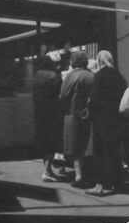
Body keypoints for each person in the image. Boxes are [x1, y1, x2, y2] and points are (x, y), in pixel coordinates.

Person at [85, 50, 128, 197]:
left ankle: (100, 185)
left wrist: (89, 109)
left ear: (99, 60)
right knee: (114, 152)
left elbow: (94, 98)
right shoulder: (118, 76)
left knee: (100, 153)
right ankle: (114, 183)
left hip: (102, 121)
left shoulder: (99, 76)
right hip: (116, 119)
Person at [59, 51, 95, 189]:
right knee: (87, 146)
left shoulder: (71, 76)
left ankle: (79, 175)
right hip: (89, 115)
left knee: (76, 148)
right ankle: (90, 175)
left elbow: (63, 95)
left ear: (73, 62)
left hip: (73, 115)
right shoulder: (92, 75)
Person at [31, 53, 65, 182]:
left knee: (43, 141)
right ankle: (47, 171)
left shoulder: (37, 75)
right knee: (52, 142)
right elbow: (61, 94)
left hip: (39, 112)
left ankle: (47, 169)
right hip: (52, 113)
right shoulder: (54, 76)